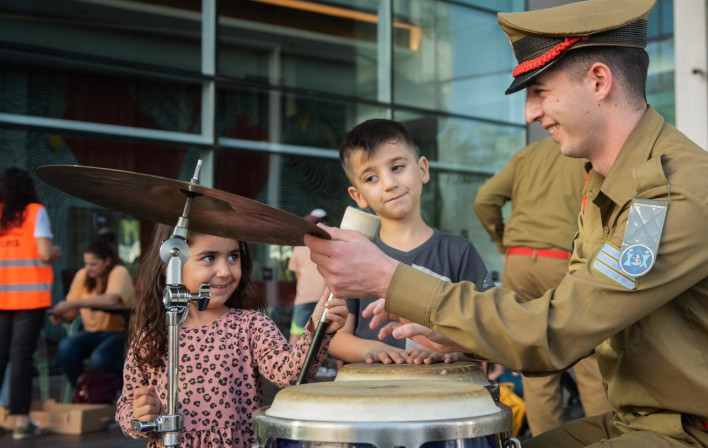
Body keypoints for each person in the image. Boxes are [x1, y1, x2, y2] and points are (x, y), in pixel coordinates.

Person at [305, 0, 708, 448]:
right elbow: (564, 309)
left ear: (598, 81)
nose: (530, 113)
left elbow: (557, 330)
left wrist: (388, 279)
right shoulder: (610, 183)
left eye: (540, 91)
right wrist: (463, 334)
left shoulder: (673, 194)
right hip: (646, 421)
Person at [115, 224, 347, 447]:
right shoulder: (152, 337)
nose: (225, 271)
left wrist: (318, 328)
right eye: (209, 257)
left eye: (233, 257)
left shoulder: (250, 325)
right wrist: (140, 415)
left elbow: (291, 376)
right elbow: (125, 410)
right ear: (171, 265)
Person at [328, 119, 494, 366]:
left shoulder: (459, 252)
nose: (389, 183)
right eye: (371, 177)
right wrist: (368, 349)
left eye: (396, 167)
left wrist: (451, 349)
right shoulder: (355, 257)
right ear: (358, 196)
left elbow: (491, 333)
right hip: (371, 397)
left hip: (442, 396)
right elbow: (336, 338)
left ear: (423, 169)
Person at [475, 136, 612, 434]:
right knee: (589, 361)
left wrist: (503, 243)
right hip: (564, 261)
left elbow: (484, 199)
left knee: (534, 364)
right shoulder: (586, 152)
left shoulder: (526, 155)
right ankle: (607, 441)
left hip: (519, 264)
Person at [0, 167, 61, 439]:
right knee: (21, 358)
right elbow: (45, 254)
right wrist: (57, 252)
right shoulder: (36, 212)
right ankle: (21, 421)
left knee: (1, 357)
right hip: (30, 298)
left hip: (2, 297)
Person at [49, 240, 135, 388]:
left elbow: (110, 300)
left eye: (93, 264)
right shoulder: (83, 275)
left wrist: (70, 304)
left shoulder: (119, 272)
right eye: (86, 263)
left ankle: (122, 391)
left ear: (107, 261)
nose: (88, 268)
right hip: (91, 333)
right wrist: (60, 317)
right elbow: (72, 312)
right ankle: (83, 391)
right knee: (65, 348)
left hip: (120, 333)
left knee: (100, 357)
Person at [288, 208, 329, 342]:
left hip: (303, 297)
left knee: (296, 334)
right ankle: (339, 364)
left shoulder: (299, 246)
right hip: (324, 297)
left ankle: (287, 363)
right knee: (329, 336)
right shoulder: (329, 245)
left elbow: (297, 274)